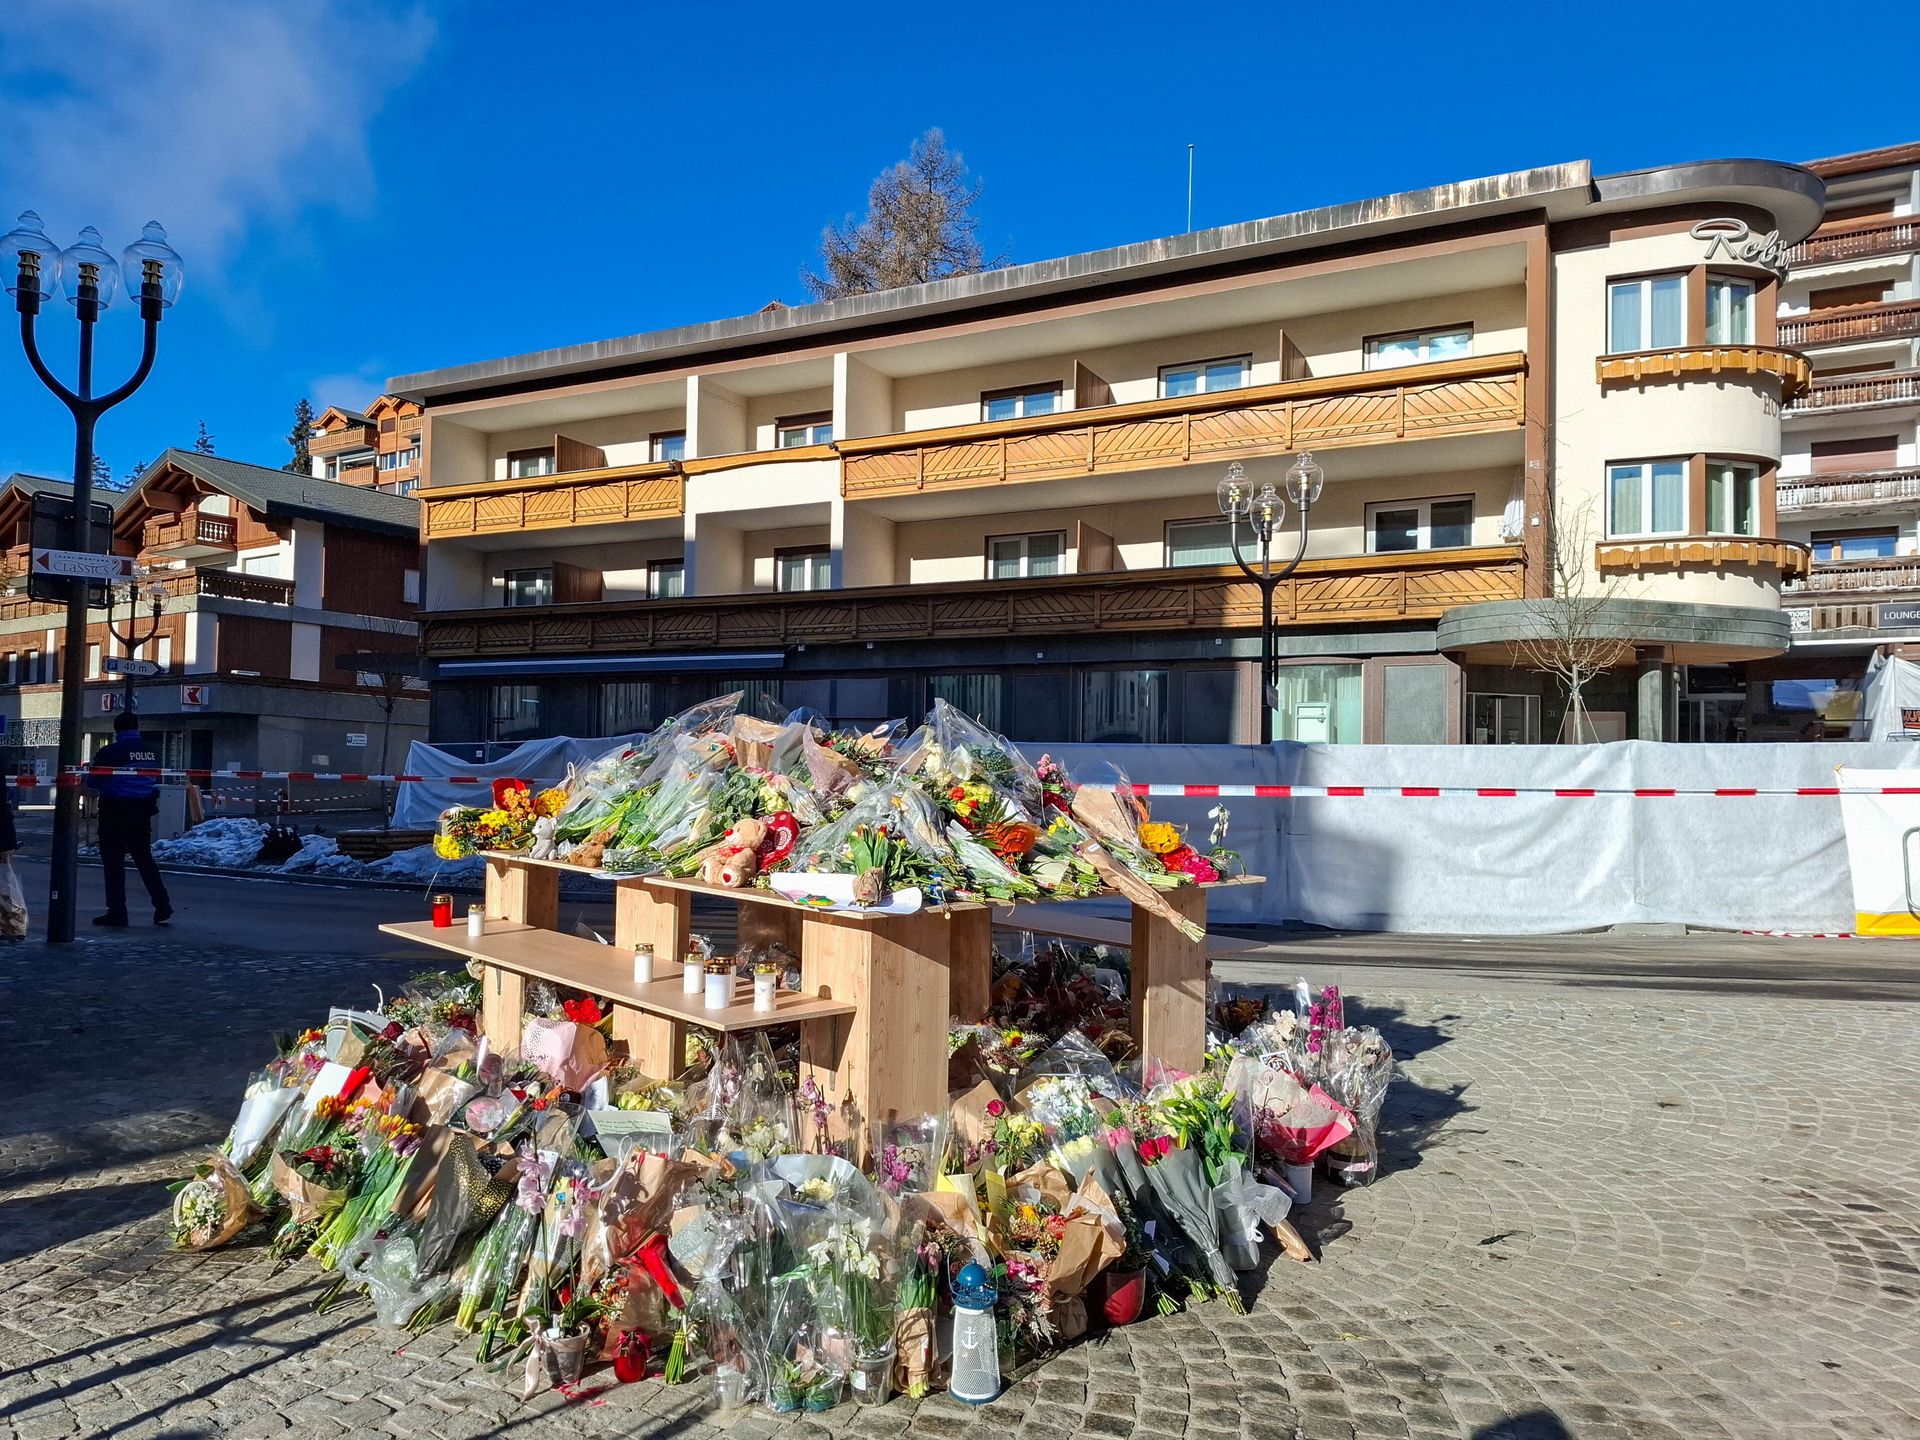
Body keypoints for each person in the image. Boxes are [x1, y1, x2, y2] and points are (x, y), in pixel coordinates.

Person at [85, 709, 173, 927]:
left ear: (117, 730)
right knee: (144, 860)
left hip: (115, 811)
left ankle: (117, 911)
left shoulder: (110, 753)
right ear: (136, 728)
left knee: (113, 863)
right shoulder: (151, 751)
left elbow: (93, 782)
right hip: (142, 811)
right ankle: (163, 905)